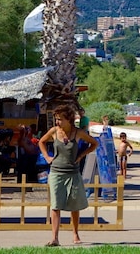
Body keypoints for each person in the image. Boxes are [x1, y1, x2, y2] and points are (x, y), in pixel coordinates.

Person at [38, 105, 98, 246]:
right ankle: (54, 238)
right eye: (56, 119)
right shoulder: (54, 131)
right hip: (56, 173)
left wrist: (82, 155)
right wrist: (47, 157)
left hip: (73, 173)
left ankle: (75, 234)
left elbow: (94, 143)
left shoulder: (78, 133)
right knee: (55, 205)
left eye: (60, 119)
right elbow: (41, 141)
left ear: (69, 120)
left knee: (74, 205)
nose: (57, 122)